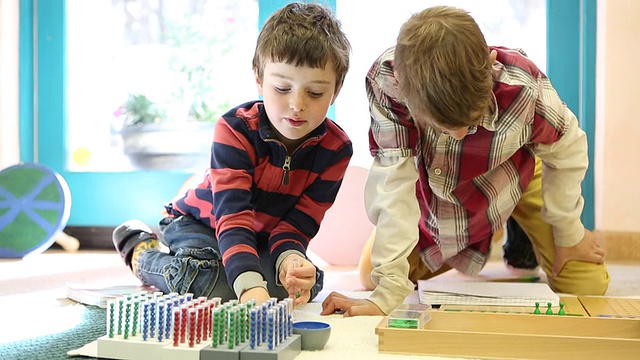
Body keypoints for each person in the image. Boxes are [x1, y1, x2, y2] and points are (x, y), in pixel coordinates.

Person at [321, 5, 609, 317]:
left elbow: (568, 147)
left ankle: (511, 222)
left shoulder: (525, 85)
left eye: (471, 120)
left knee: (588, 284)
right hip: (440, 191)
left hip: (516, 173)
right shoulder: (388, 83)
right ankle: (492, 227)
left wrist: (568, 232)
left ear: (491, 65)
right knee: (371, 277)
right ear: (404, 88)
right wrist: (388, 287)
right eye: (444, 126)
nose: (460, 135)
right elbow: (393, 182)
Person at [112, 2, 352, 306]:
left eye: (315, 93)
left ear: (336, 89)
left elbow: (297, 226)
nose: (297, 104)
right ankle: (140, 251)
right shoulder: (235, 129)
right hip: (201, 224)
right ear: (259, 77)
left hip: (261, 237)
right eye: (281, 88)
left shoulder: (336, 150)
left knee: (304, 284)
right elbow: (233, 216)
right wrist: (251, 287)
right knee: (208, 280)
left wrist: (290, 262)